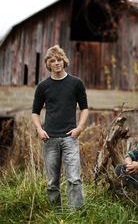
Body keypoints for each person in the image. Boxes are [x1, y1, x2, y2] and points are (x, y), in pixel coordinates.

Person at [32, 45, 89, 210]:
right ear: (48, 64)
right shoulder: (43, 86)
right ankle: (55, 214)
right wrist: (39, 129)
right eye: (52, 60)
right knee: (52, 181)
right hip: (49, 138)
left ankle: (75, 214)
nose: (56, 63)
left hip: (70, 137)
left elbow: (84, 108)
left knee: (74, 178)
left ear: (64, 61)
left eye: (59, 60)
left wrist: (80, 128)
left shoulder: (76, 83)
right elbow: (35, 112)